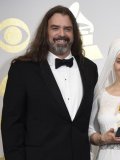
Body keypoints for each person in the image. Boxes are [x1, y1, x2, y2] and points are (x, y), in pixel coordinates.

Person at [1, 5, 98, 160]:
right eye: (55, 28)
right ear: (45, 32)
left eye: (67, 29)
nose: (62, 34)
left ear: (74, 34)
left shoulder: (90, 69)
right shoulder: (23, 69)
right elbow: (11, 125)